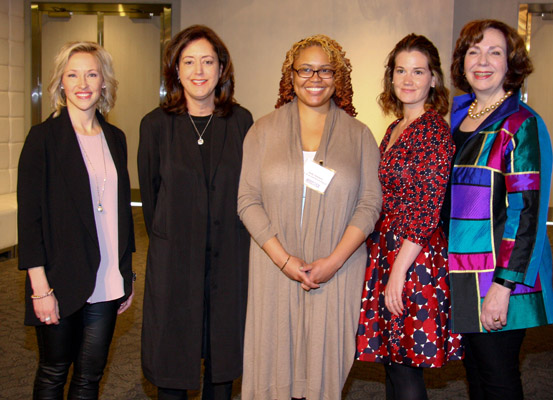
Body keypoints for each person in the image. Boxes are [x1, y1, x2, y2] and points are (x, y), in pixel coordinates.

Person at [238, 34, 381, 400]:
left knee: (323, 370)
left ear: (339, 77)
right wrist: (284, 260)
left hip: (338, 270)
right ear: (291, 75)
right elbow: (247, 200)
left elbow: (369, 204)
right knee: (274, 362)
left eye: (325, 70)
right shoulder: (262, 131)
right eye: (305, 69)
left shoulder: (359, 135)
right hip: (274, 265)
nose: (314, 78)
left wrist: (332, 262)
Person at [138, 25, 253, 400]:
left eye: (208, 61)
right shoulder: (154, 125)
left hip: (229, 258)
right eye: (189, 61)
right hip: (175, 261)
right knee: (173, 353)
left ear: (222, 69)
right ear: (175, 69)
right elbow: (152, 201)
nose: (199, 70)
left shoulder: (241, 122)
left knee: (222, 357)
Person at [446, 19, 553, 399]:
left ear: (511, 64)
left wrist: (504, 285)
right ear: (462, 62)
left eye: (495, 52)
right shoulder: (460, 117)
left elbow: (525, 211)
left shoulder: (520, 124)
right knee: (476, 376)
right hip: (462, 272)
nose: (483, 60)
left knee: (498, 379)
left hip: (497, 277)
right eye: (474, 51)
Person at [17, 41, 135, 399]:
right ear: (60, 84)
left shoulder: (116, 138)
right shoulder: (43, 139)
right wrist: (40, 288)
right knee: (53, 372)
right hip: (58, 280)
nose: (82, 83)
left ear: (104, 83)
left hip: (106, 279)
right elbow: (30, 219)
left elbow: (121, 212)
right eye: (73, 74)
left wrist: (125, 272)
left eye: (91, 74)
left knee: (89, 378)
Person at [355, 34, 463, 400]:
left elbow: (427, 210)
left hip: (413, 260)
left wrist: (398, 273)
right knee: (393, 359)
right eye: (401, 70)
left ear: (434, 79)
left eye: (418, 71)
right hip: (389, 252)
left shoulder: (433, 131)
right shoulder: (395, 128)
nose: (408, 79)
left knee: (404, 369)